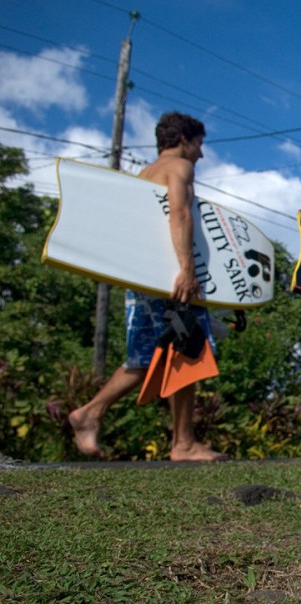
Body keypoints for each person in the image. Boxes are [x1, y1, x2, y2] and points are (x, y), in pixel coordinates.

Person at [69, 111, 227, 461]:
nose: (201, 154)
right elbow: (180, 213)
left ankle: (90, 413)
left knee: (145, 357)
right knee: (188, 348)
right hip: (172, 277)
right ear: (184, 140)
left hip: (144, 280)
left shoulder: (144, 175)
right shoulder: (179, 168)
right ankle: (183, 443)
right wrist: (186, 269)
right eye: (199, 144)